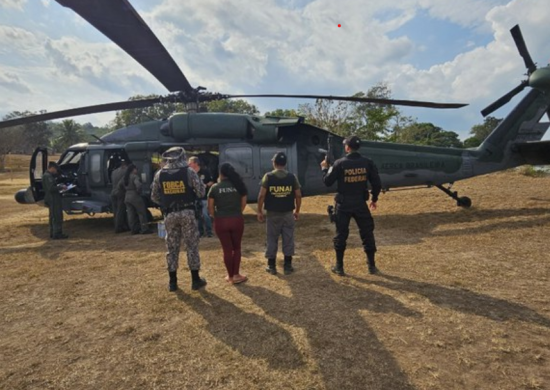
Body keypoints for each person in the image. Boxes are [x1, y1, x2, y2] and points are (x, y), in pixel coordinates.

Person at [321, 135, 382, 276]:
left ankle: (339, 267)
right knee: (367, 233)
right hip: (360, 203)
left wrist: (324, 168)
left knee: (341, 235)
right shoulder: (368, 162)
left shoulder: (339, 163)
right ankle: (371, 266)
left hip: (344, 204)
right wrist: (374, 198)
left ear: (347, 147)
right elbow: (377, 183)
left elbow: (327, 182)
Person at [151, 147, 207, 292]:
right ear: (182, 156)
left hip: (169, 214)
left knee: (172, 247)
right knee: (192, 246)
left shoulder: (160, 174)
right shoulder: (189, 172)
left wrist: (167, 202)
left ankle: (173, 283)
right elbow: (201, 192)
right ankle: (195, 281)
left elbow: (154, 196)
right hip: (187, 212)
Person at [257, 152, 302, 275]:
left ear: (274, 163)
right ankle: (288, 265)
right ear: (285, 164)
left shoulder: (268, 176)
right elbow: (298, 195)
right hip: (288, 213)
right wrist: (297, 210)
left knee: (272, 238)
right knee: (288, 238)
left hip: (272, 214)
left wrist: (259, 210)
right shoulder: (292, 177)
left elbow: (261, 195)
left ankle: (271, 266)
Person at [208, 163, 248, 284]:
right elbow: (243, 204)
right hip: (236, 219)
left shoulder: (214, 188)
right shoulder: (239, 186)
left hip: (221, 220)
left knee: (227, 250)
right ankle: (236, 274)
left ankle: (230, 276)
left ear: (221, 174)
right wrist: (236, 212)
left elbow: (210, 208)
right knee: (237, 248)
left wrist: (218, 217)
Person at [122, 164, 152, 235]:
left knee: (130, 214)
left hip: (127, 196)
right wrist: (139, 192)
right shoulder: (135, 177)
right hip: (135, 196)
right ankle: (144, 229)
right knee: (141, 213)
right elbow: (138, 185)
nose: (137, 170)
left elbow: (121, 185)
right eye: (136, 169)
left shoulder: (125, 177)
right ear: (133, 170)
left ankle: (133, 229)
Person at [188, 156, 215, 237]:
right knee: (198, 216)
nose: (189, 165)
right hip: (194, 198)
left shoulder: (205, 171)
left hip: (204, 197)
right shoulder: (190, 173)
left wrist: (205, 185)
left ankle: (209, 232)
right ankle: (200, 232)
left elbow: (212, 182)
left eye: (190, 163)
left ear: (196, 163)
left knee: (205, 214)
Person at [42, 162, 68, 239]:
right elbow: (51, 188)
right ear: (52, 168)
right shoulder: (47, 176)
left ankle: (53, 233)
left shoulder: (47, 176)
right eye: (56, 169)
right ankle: (57, 234)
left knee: (53, 216)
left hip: (52, 197)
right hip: (53, 198)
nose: (56, 171)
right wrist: (61, 187)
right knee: (56, 216)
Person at [110, 159, 129, 233]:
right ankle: (118, 227)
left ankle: (119, 225)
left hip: (113, 192)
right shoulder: (126, 171)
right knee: (121, 210)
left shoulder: (113, 172)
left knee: (115, 211)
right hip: (120, 192)